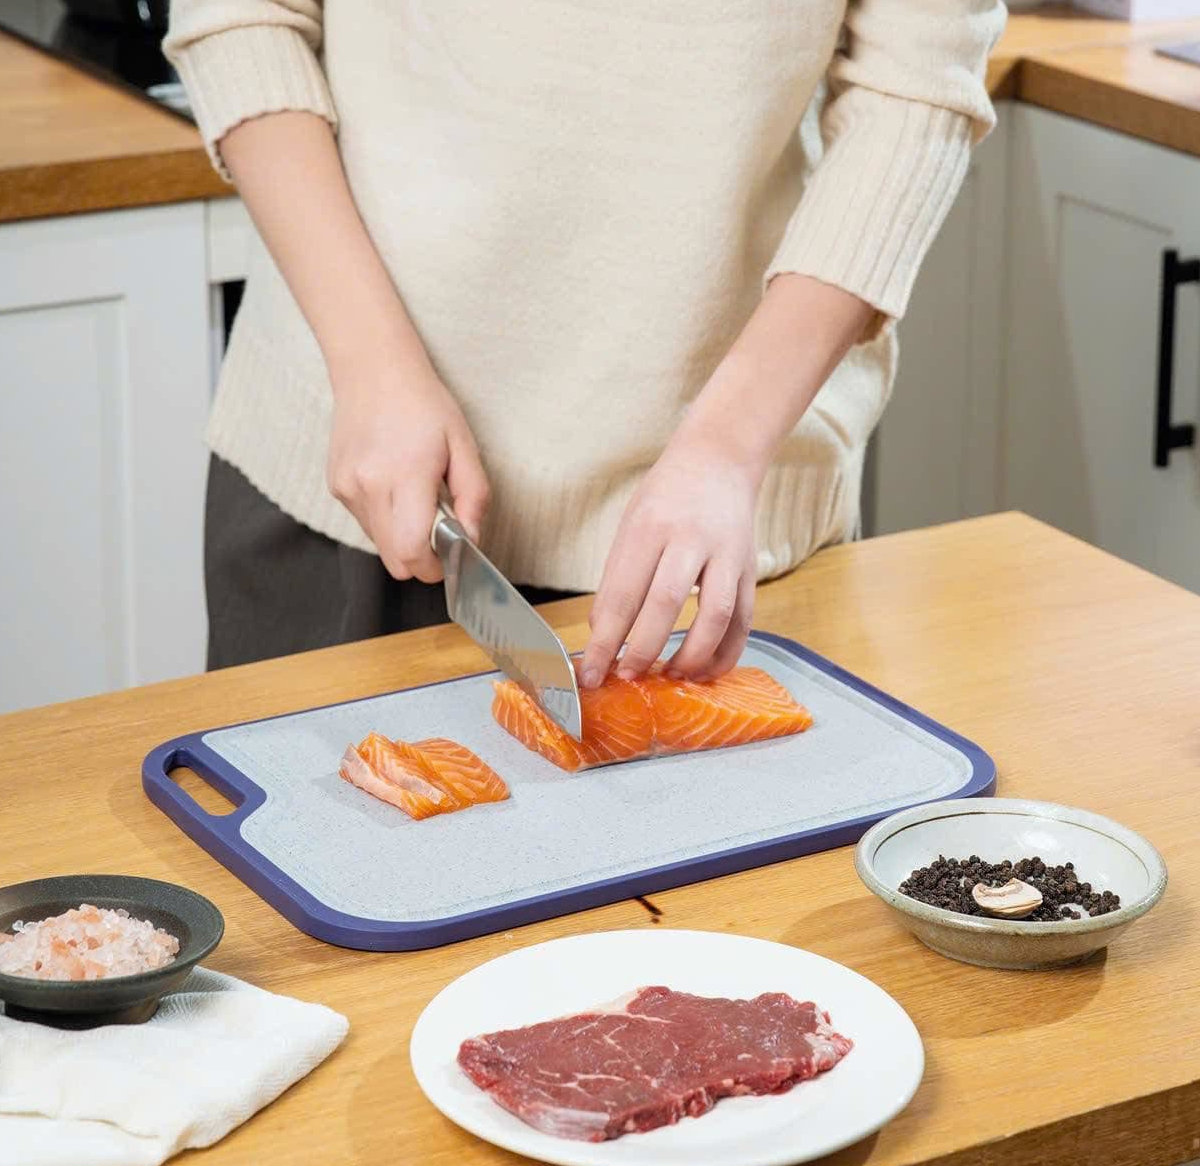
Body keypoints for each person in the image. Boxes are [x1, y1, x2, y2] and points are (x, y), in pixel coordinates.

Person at [165, 0, 1004, 685]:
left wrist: (726, 446)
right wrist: (371, 367)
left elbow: (918, 85)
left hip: (717, 529)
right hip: (356, 471)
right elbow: (242, 15)